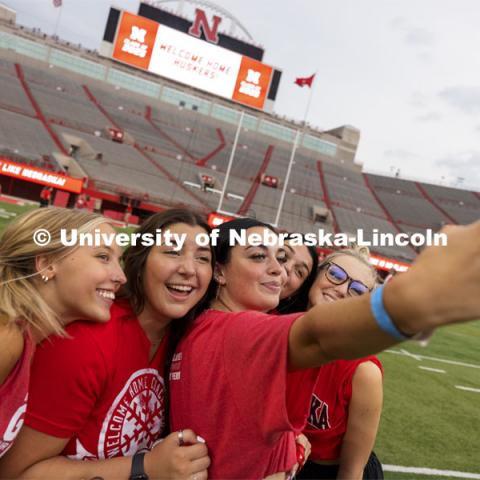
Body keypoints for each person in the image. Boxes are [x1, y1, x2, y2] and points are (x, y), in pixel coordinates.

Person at [170, 217, 480, 479]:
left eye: (281, 257)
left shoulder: (200, 325)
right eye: (257, 256)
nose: (280, 270)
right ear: (220, 271)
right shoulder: (239, 332)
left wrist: (290, 449)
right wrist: (416, 299)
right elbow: (316, 335)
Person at [0, 209, 214, 480]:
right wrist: (144, 468)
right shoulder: (70, 342)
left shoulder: (186, 342)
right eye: (172, 252)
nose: (188, 268)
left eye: (203, 258)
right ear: (141, 260)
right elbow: (14, 474)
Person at [0, 207, 126, 459]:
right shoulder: (6, 335)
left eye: (119, 261)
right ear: (47, 264)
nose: (121, 276)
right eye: (103, 256)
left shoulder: (26, 339)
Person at [297, 249, 384, 480]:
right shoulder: (277, 331)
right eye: (335, 274)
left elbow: (352, 470)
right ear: (315, 276)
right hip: (286, 460)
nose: (343, 289)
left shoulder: (364, 370)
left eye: (357, 290)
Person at [277, 236, 318, 314]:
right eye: (282, 255)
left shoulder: (284, 325)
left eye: (299, 272)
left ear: (295, 292)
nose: (288, 267)